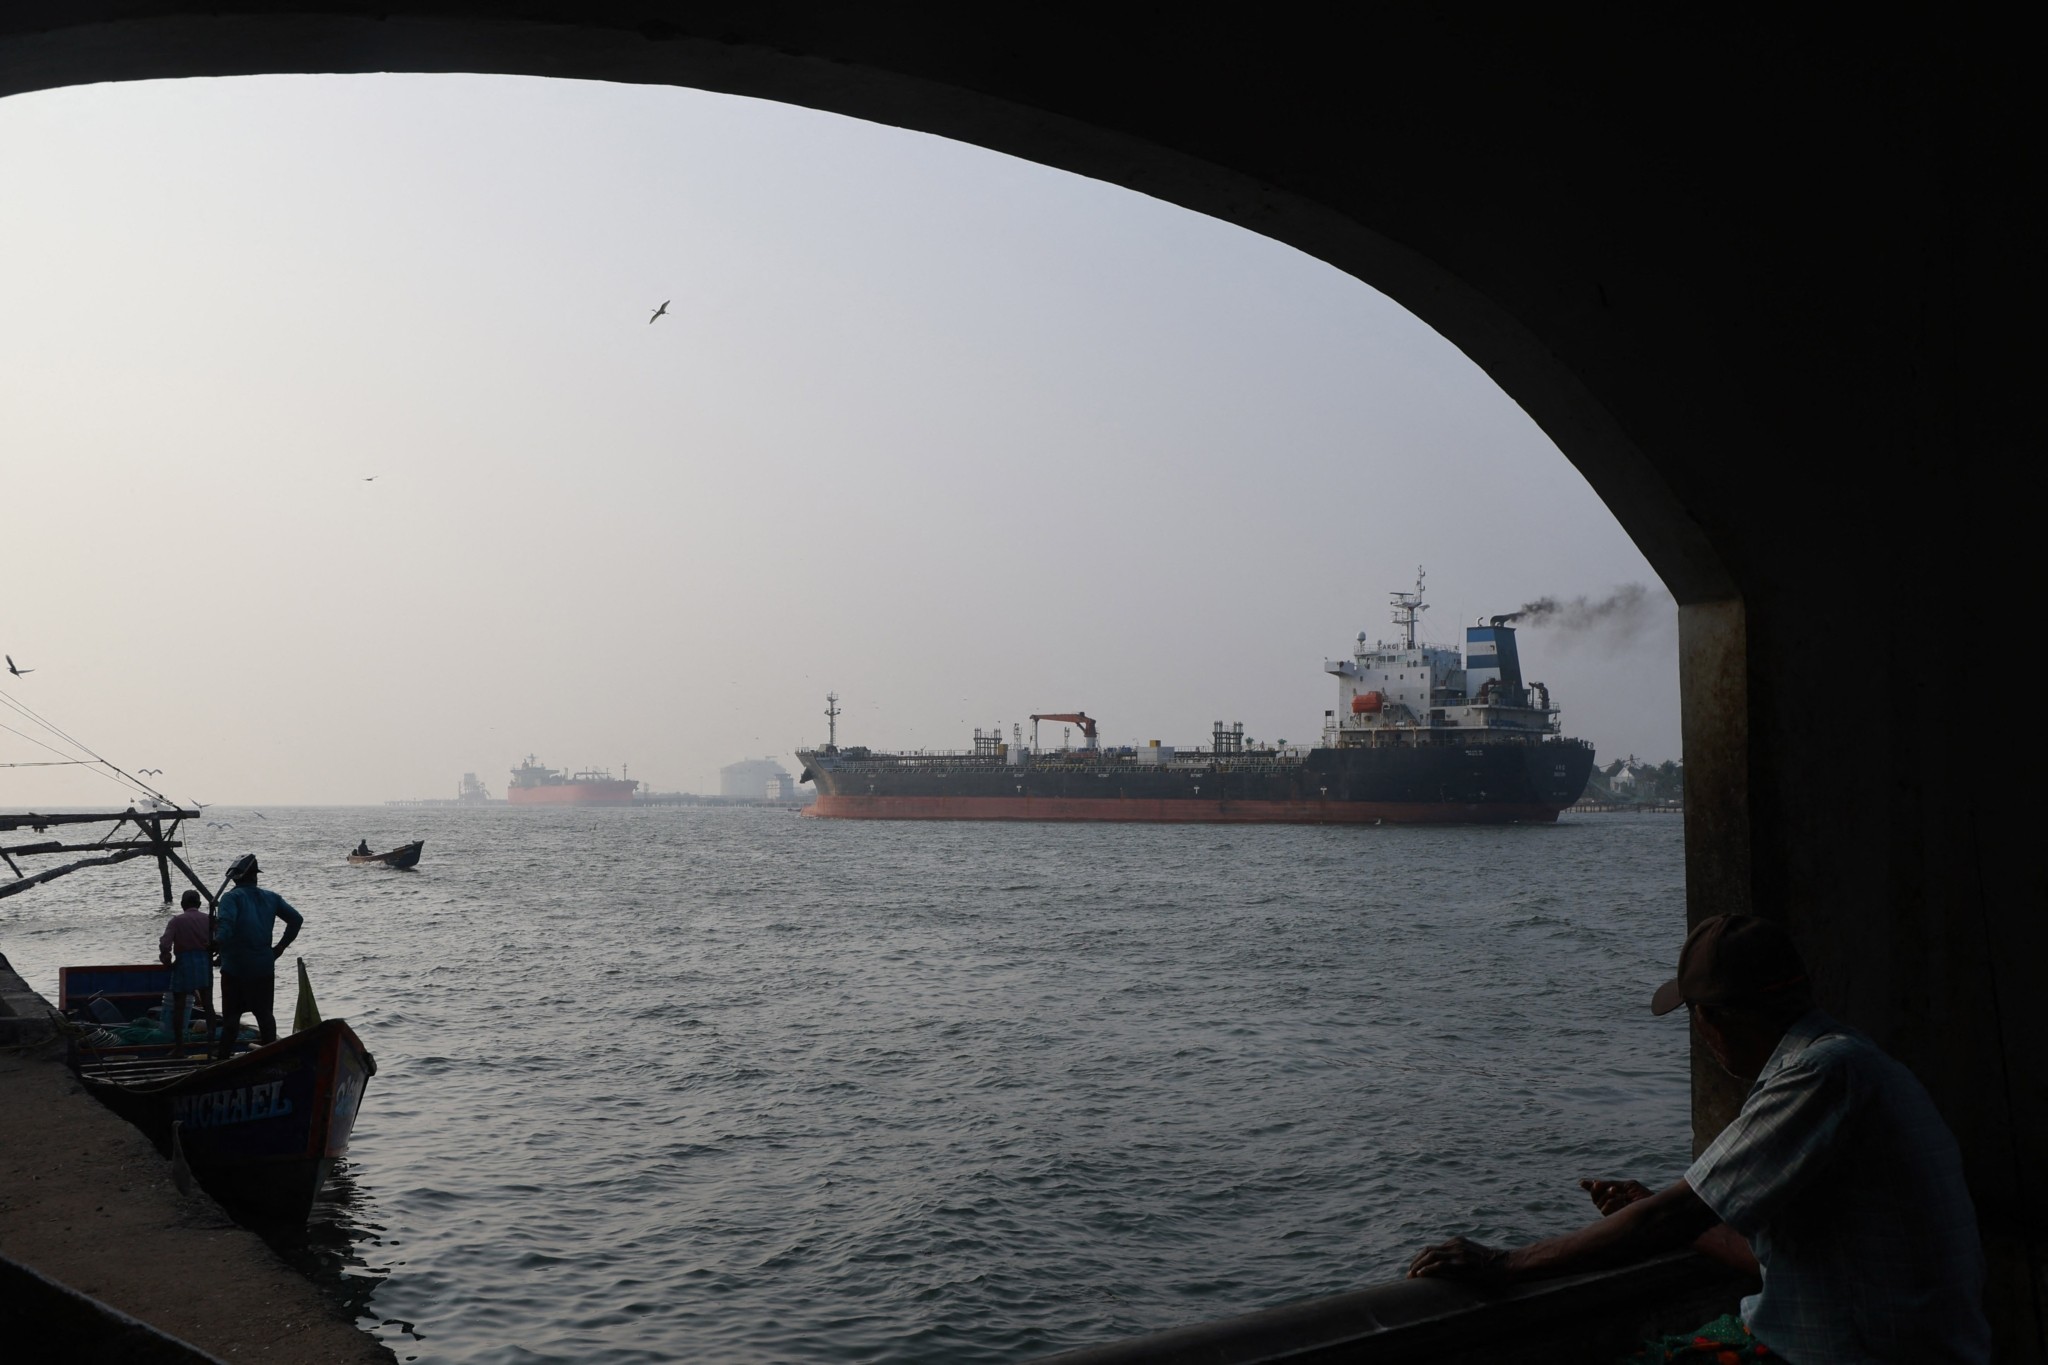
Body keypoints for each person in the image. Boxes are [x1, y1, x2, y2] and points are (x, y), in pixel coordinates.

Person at [1407, 913, 1991, 1365]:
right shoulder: (1854, 1061)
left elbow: (1672, 1217)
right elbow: (1771, 1258)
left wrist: (1503, 1261)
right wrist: (1654, 1209)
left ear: (1716, 1017)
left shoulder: (1820, 1076)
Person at [212, 853, 303, 1059]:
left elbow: (226, 926)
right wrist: (280, 947)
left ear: (236, 878)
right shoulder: (271, 898)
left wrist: (215, 943)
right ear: (255, 876)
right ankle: (271, 1056)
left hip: (235, 968)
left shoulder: (230, 898)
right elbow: (296, 920)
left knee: (231, 1018)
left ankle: (223, 1057)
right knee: (265, 1016)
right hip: (263, 966)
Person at [158, 889, 215, 1056]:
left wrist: (166, 959)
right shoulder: (209, 920)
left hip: (184, 964)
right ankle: (212, 1045)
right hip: (204, 963)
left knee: (179, 1007)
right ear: (199, 904)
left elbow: (165, 944)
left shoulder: (176, 921)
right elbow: (219, 939)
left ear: (183, 904)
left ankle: (180, 1047)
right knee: (208, 1005)